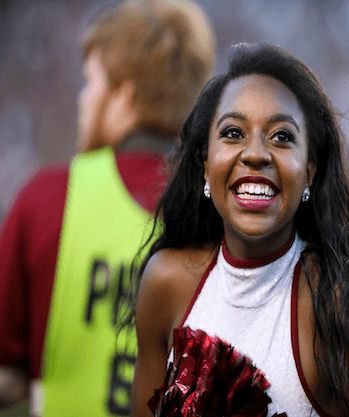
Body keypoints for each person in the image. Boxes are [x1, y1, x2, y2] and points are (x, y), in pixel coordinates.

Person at [130, 43, 349, 417]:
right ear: (206, 165)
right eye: (233, 133)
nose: (255, 154)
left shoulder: (335, 303)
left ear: (309, 171)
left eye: (282, 136)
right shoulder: (165, 283)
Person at [0, 0, 215, 416]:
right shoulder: (223, 216)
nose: (84, 100)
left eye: (91, 82)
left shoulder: (47, 198)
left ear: (123, 96)